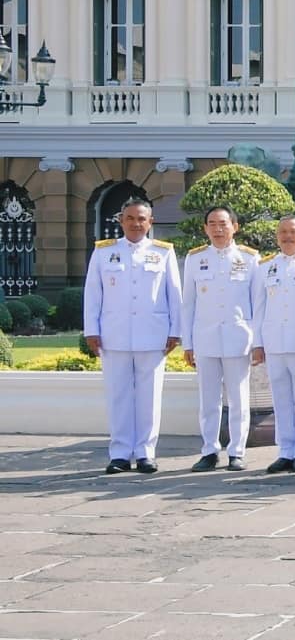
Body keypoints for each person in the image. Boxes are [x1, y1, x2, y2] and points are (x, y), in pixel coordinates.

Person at [84, 199, 180, 474]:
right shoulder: (104, 253)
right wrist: (92, 329)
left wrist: (175, 331)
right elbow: (93, 294)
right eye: (130, 218)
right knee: (119, 396)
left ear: (150, 222)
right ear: (121, 221)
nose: (136, 224)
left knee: (150, 397)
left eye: (141, 219)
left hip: (153, 334)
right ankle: (120, 453)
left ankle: (146, 452)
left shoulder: (163, 252)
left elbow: (174, 294)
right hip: (114, 334)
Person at [181, 205, 260, 471]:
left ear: (235, 227)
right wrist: (188, 343)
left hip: (238, 337)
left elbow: (257, 304)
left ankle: (237, 451)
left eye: (223, 223)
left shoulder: (250, 259)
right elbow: (188, 304)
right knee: (209, 400)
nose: (218, 229)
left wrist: (257, 340)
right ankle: (209, 450)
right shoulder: (195, 259)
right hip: (206, 338)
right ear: (205, 228)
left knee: (239, 398)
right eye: (212, 224)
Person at [250, 214, 295, 473]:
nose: (288, 237)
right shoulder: (266, 266)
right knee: (281, 400)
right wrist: (258, 342)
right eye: (283, 232)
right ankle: (286, 450)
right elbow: (259, 307)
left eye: (293, 232)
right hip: (275, 342)